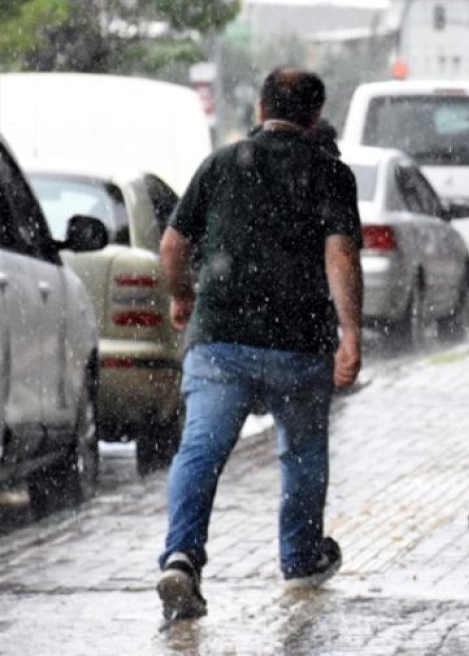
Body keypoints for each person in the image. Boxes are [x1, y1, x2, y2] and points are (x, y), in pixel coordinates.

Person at [155, 68, 363, 620]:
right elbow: (341, 256)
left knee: (201, 448)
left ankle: (181, 557)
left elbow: (173, 246)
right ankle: (299, 559)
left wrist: (182, 297)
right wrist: (352, 333)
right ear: (314, 117)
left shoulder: (223, 164)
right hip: (299, 342)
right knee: (301, 453)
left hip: (220, 337)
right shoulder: (330, 173)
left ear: (260, 106)